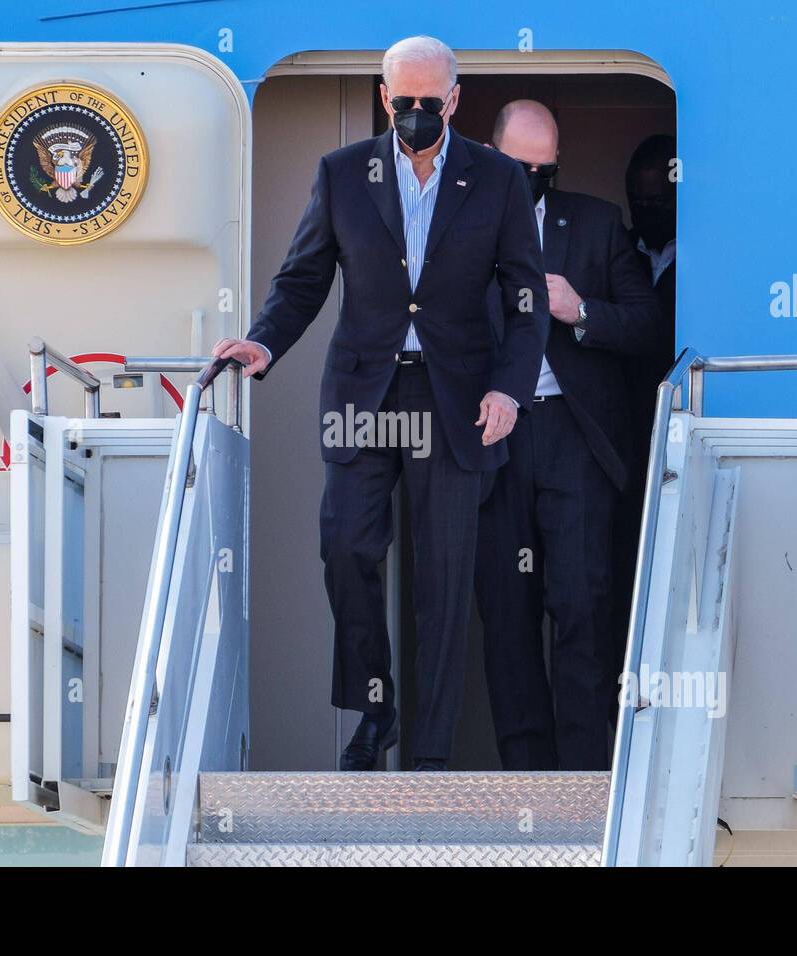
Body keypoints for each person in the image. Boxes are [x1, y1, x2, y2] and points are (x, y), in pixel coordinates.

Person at [213, 36, 546, 771]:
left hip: (456, 399)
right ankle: (376, 705)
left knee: (444, 578)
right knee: (346, 548)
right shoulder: (342, 174)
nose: (418, 115)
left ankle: (429, 757)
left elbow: (526, 303)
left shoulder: (496, 181)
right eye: (405, 103)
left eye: (432, 103)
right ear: (383, 96)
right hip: (364, 392)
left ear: (455, 101)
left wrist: (509, 389)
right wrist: (263, 344)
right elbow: (303, 279)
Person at [474, 100, 659, 771]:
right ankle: (527, 787)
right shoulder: (452, 228)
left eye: (545, 172)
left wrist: (579, 309)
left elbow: (651, 328)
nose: (533, 183)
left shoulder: (597, 224)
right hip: (493, 436)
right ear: (490, 158)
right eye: (521, 169)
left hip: (575, 440)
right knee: (506, 611)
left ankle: (586, 781)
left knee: (583, 604)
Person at [608, 135, 678, 744]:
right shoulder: (615, 250)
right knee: (608, 597)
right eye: (639, 199)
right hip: (614, 450)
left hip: (678, 453)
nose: (646, 210)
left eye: (658, 199)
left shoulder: (710, 255)